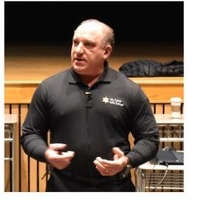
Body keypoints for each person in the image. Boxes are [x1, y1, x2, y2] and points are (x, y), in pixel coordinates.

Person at [20, 19, 159, 192]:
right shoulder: (49, 88)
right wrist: (45, 153)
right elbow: (30, 134)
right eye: (75, 42)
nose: (78, 50)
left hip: (115, 187)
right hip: (63, 187)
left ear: (106, 51)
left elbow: (149, 139)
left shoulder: (129, 90)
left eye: (88, 45)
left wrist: (127, 160)